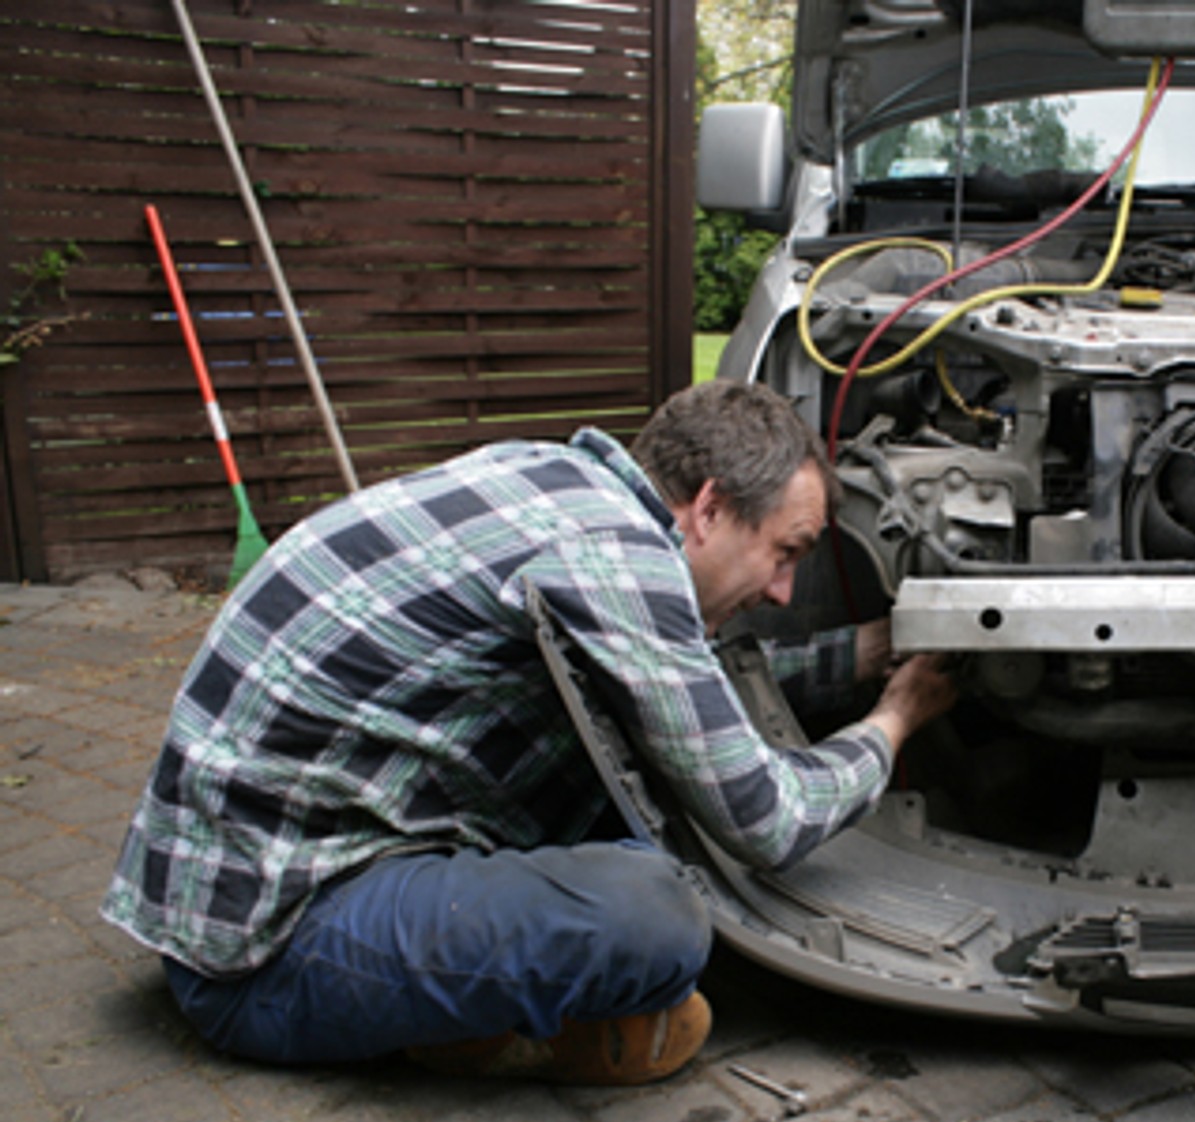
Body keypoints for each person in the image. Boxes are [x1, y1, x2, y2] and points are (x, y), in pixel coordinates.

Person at [100, 379, 956, 1084]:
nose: (782, 591)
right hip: (264, 955)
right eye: (786, 552)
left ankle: (457, 1005)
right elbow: (768, 819)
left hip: (246, 885)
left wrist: (866, 653)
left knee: (646, 807)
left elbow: (693, 697)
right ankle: (474, 1026)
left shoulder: (556, 481)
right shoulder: (616, 557)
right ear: (709, 507)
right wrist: (894, 720)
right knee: (656, 917)